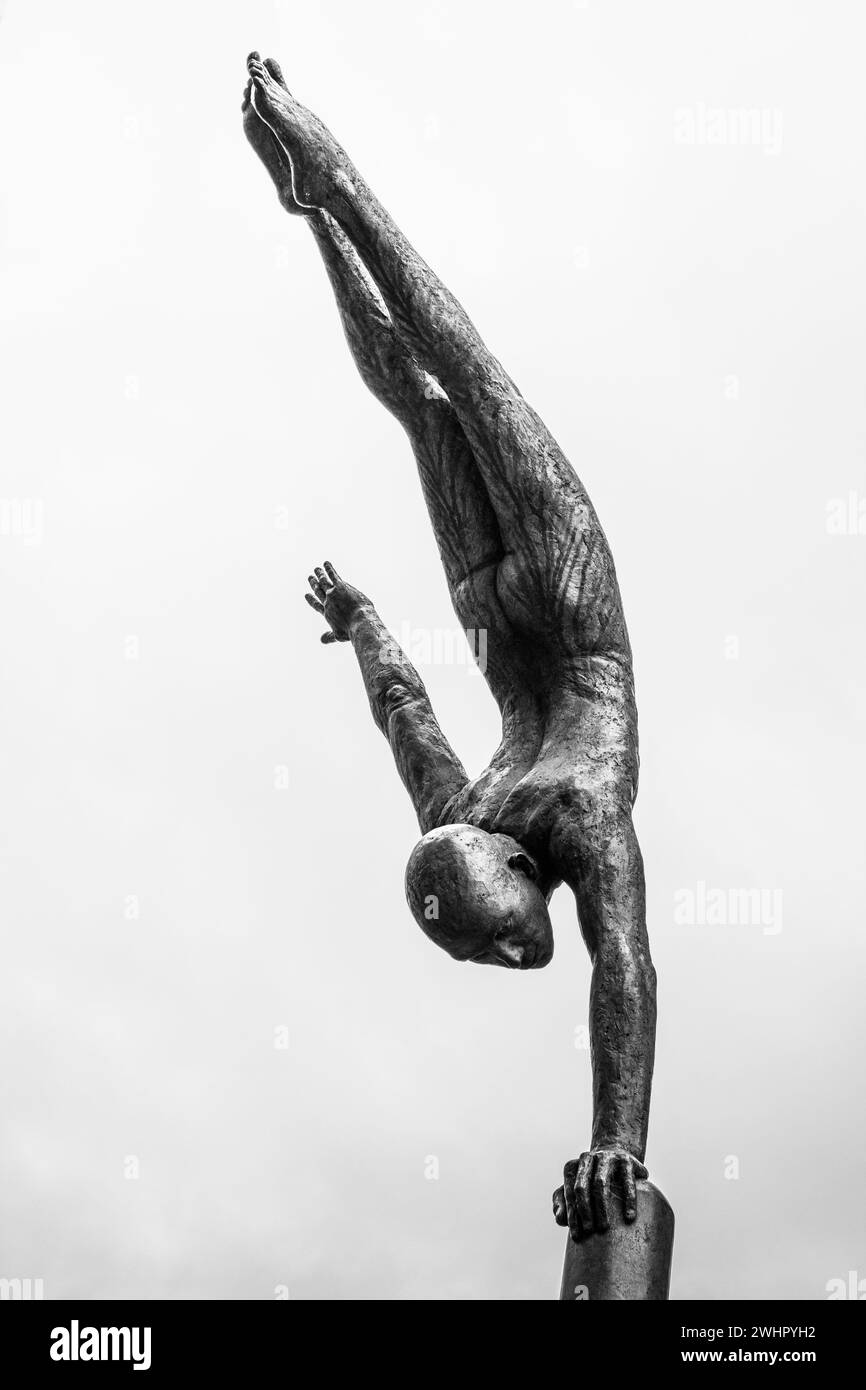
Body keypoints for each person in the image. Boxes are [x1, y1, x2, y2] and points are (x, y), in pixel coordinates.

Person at [243, 54, 656, 1241]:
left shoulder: (539, 809)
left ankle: (330, 184)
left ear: (509, 868)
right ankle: (318, 202)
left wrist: (617, 1142)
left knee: (450, 382)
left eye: (499, 947)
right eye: (505, 955)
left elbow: (616, 966)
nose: (514, 961)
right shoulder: (508, 808)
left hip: (544, 600)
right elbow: (403, 715)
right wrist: (365, 621)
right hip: (520, 604)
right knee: (436, 394)